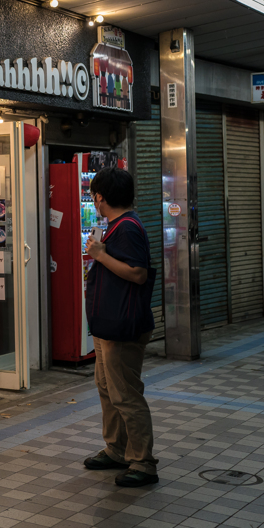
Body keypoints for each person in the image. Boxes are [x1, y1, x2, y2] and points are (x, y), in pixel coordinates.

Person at [83, 167, 159, 487]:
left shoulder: (127, 228)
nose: (93, 201)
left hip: (122, 326)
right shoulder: (117, 226)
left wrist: (99, 255)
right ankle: (116, 449)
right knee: (107, 387)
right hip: (108, 326)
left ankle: (142, 462)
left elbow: (138, 273)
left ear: (100, 197)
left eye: (94, 196)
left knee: (125, 394)